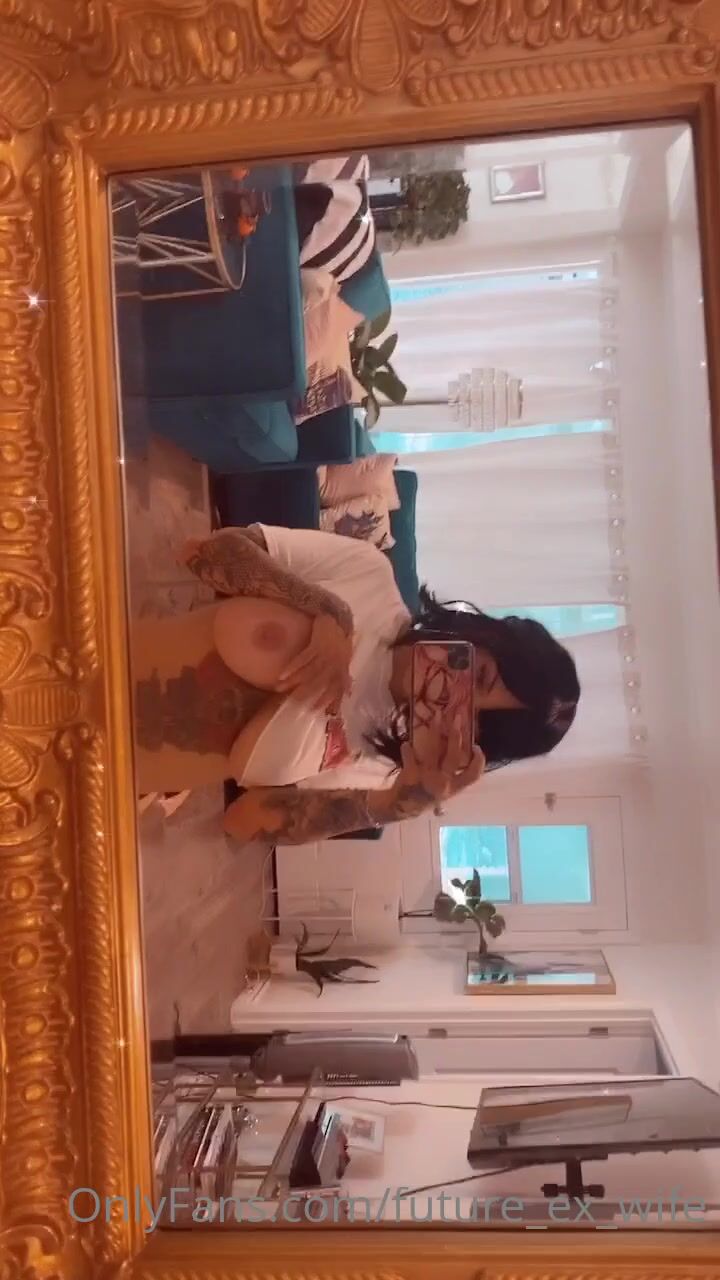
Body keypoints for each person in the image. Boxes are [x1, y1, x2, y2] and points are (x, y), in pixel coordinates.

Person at [132, 524, 580, 845]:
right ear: (484, 637)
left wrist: (395, 806)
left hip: (112, 771)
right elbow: (203, 552)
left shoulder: (386, 773)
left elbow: (241, 822)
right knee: (290, 631)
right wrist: (323, 608)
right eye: (477, 677)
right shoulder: (369, 576)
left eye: (473, 719)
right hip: (102, 658)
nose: (451, 697)